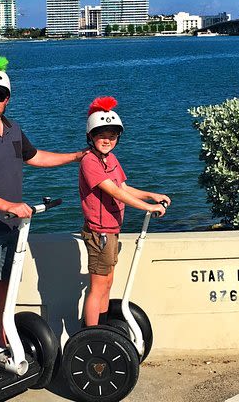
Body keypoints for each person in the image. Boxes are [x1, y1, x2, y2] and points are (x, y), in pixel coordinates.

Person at [0, 54, 87, 347]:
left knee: (3, 290)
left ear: (7, 100)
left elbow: (35, 157)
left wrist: (75, 157)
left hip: (11, 229)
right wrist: (9, 206)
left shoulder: (13, 130)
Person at [80, 96, 170, 326]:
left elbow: (124, 187)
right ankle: (91, 333)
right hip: (99, 233)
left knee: (107, 283)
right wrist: (148, 207)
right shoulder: (90, 162)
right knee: (98, 286)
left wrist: (151, 195)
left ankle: (102, 326)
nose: (107, 140)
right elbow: (114, 192)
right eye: (101, 135)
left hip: (111, 231)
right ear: (91, 136)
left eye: (112, 136)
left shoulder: (111, 160)